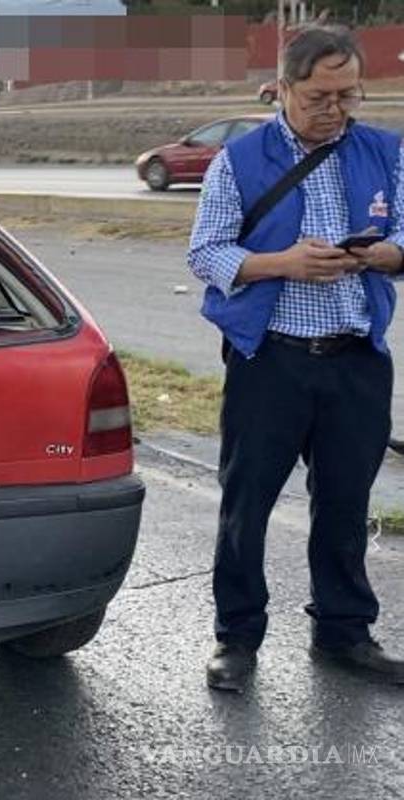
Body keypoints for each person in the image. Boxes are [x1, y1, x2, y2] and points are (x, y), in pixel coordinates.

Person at [188, 24, 404, 691]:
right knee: (246, 504)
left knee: (344, 502)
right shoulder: (241, 160)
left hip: (356, 360)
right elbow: (206, 253)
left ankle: (344, 633)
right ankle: (237, 638)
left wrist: (389, 254)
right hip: (271, 362)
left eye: (347, 94)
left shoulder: (386, 151)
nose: (334, 108)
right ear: (283, 88)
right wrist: (282, 263)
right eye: (318, 96)